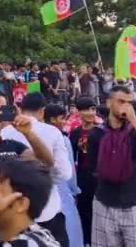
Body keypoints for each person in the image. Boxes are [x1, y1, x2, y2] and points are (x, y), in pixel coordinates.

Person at [88, 85, 136, 246]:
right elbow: (93, 169)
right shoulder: (97, 133)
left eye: (129, 103)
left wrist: (135, 121)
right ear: (109, 103)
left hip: (134, 205)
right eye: (121, 101)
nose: (126, 106)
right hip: (104, 204)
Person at [1, 93, 72, 246]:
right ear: (43, 111)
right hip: (47, 209)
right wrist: (44, 178)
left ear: (20, 108)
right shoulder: (52, 132)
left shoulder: (4, 133)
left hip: (14, 211)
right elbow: (65, 173)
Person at [45, 104, 84, 247]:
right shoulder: (62, 138)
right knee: (71, 232)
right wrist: (75, 191)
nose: (64, 121)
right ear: (53, 119)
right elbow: (70, 173)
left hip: (43, 193)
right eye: (62, 118)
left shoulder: (34, 134)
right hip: (62, 190)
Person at [69, 96, 99, 245]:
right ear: (79, 113)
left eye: (93, 109)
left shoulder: (102, 131)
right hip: (83, 178)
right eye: (86, 109)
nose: (90, 113)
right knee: (84, 212)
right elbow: (71, 158)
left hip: (101, 179)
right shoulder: (75, 133)